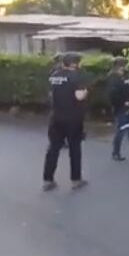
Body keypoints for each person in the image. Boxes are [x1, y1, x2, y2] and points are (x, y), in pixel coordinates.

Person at [42, 52, 89, 191]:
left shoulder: (54, 75)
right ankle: (76, 179)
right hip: (73, 118)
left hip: (56, 116)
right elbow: (79, 96)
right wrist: (86, 91)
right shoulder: (76, 77)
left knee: (53, 148)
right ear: (75, 63)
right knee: (74, 149)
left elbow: (51, 94)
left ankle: (48, 179)